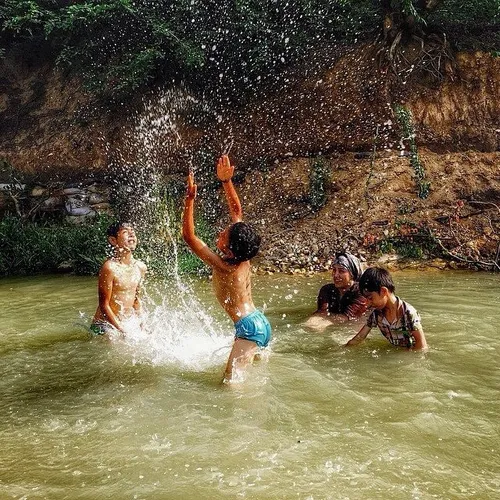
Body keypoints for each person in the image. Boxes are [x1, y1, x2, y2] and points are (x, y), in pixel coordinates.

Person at [182, 154, 271, 383]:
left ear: (230, 251)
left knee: (231, 385)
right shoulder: (244, 255)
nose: (221, 233)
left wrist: (190, 200)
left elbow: (189, 237)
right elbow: (237, 211)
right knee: (253, 379)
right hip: (259, 322)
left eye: (223, 236)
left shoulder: (224, 266)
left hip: (249, 328)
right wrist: (226, 182)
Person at [345, 267, 427, 350]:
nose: (367, 304)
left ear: (383, 291)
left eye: (370, 298)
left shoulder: (408, 313)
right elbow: (360, 337)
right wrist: (343, 349)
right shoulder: (376, 314)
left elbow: (422, 345)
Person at [90, 221, 147, 337]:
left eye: (133, 232)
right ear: (113, 240)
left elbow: (136, 301)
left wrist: (143, 325)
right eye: (126, 232)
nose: (131, 235)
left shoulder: (141, 267)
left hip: (123, 323)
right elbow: (104, 306)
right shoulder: (109, 267)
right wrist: (122, 330)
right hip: (103, 326)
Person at [303, 252, 368, 331]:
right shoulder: (327, 290)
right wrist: (308, 324)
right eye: (334, 270)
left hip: (355, 326)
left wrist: (324, 323)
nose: (336, 275)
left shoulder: (361, 292)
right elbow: (322, 312)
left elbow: (348, 317)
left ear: (352, 274)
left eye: (341, 271)